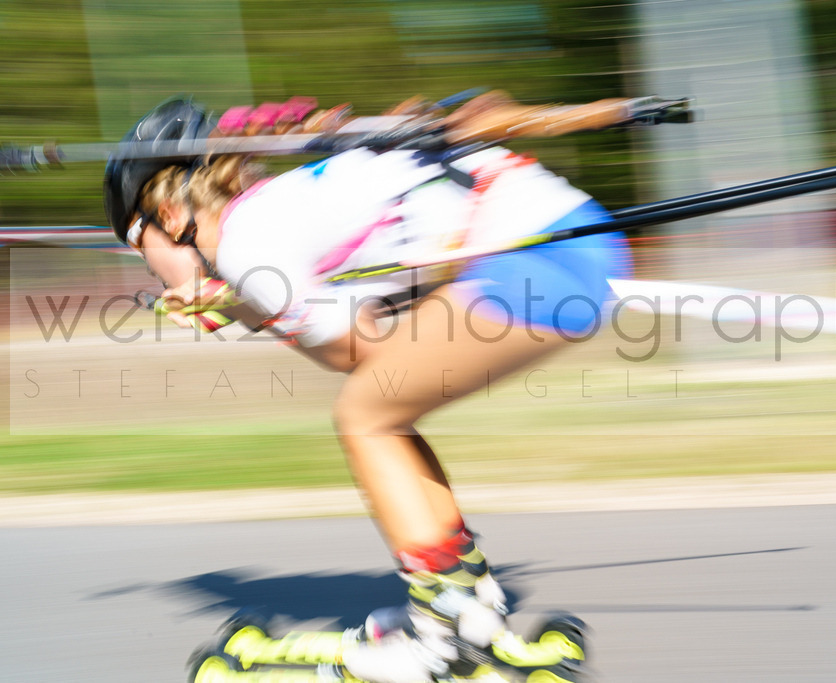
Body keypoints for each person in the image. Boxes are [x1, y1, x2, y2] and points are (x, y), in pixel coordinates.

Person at [104, 95, 629, 683]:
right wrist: (245, 308)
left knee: (365, 416)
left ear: (172, 219)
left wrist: (245, 308)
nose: (150, 273)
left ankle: (442, 635)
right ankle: (467, 606)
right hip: (561, 239)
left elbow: (352, 354)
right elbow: (375, 350)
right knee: (384, 411)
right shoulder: (274, 213)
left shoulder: (246, 247)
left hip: (536, 253)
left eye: (140, 247)